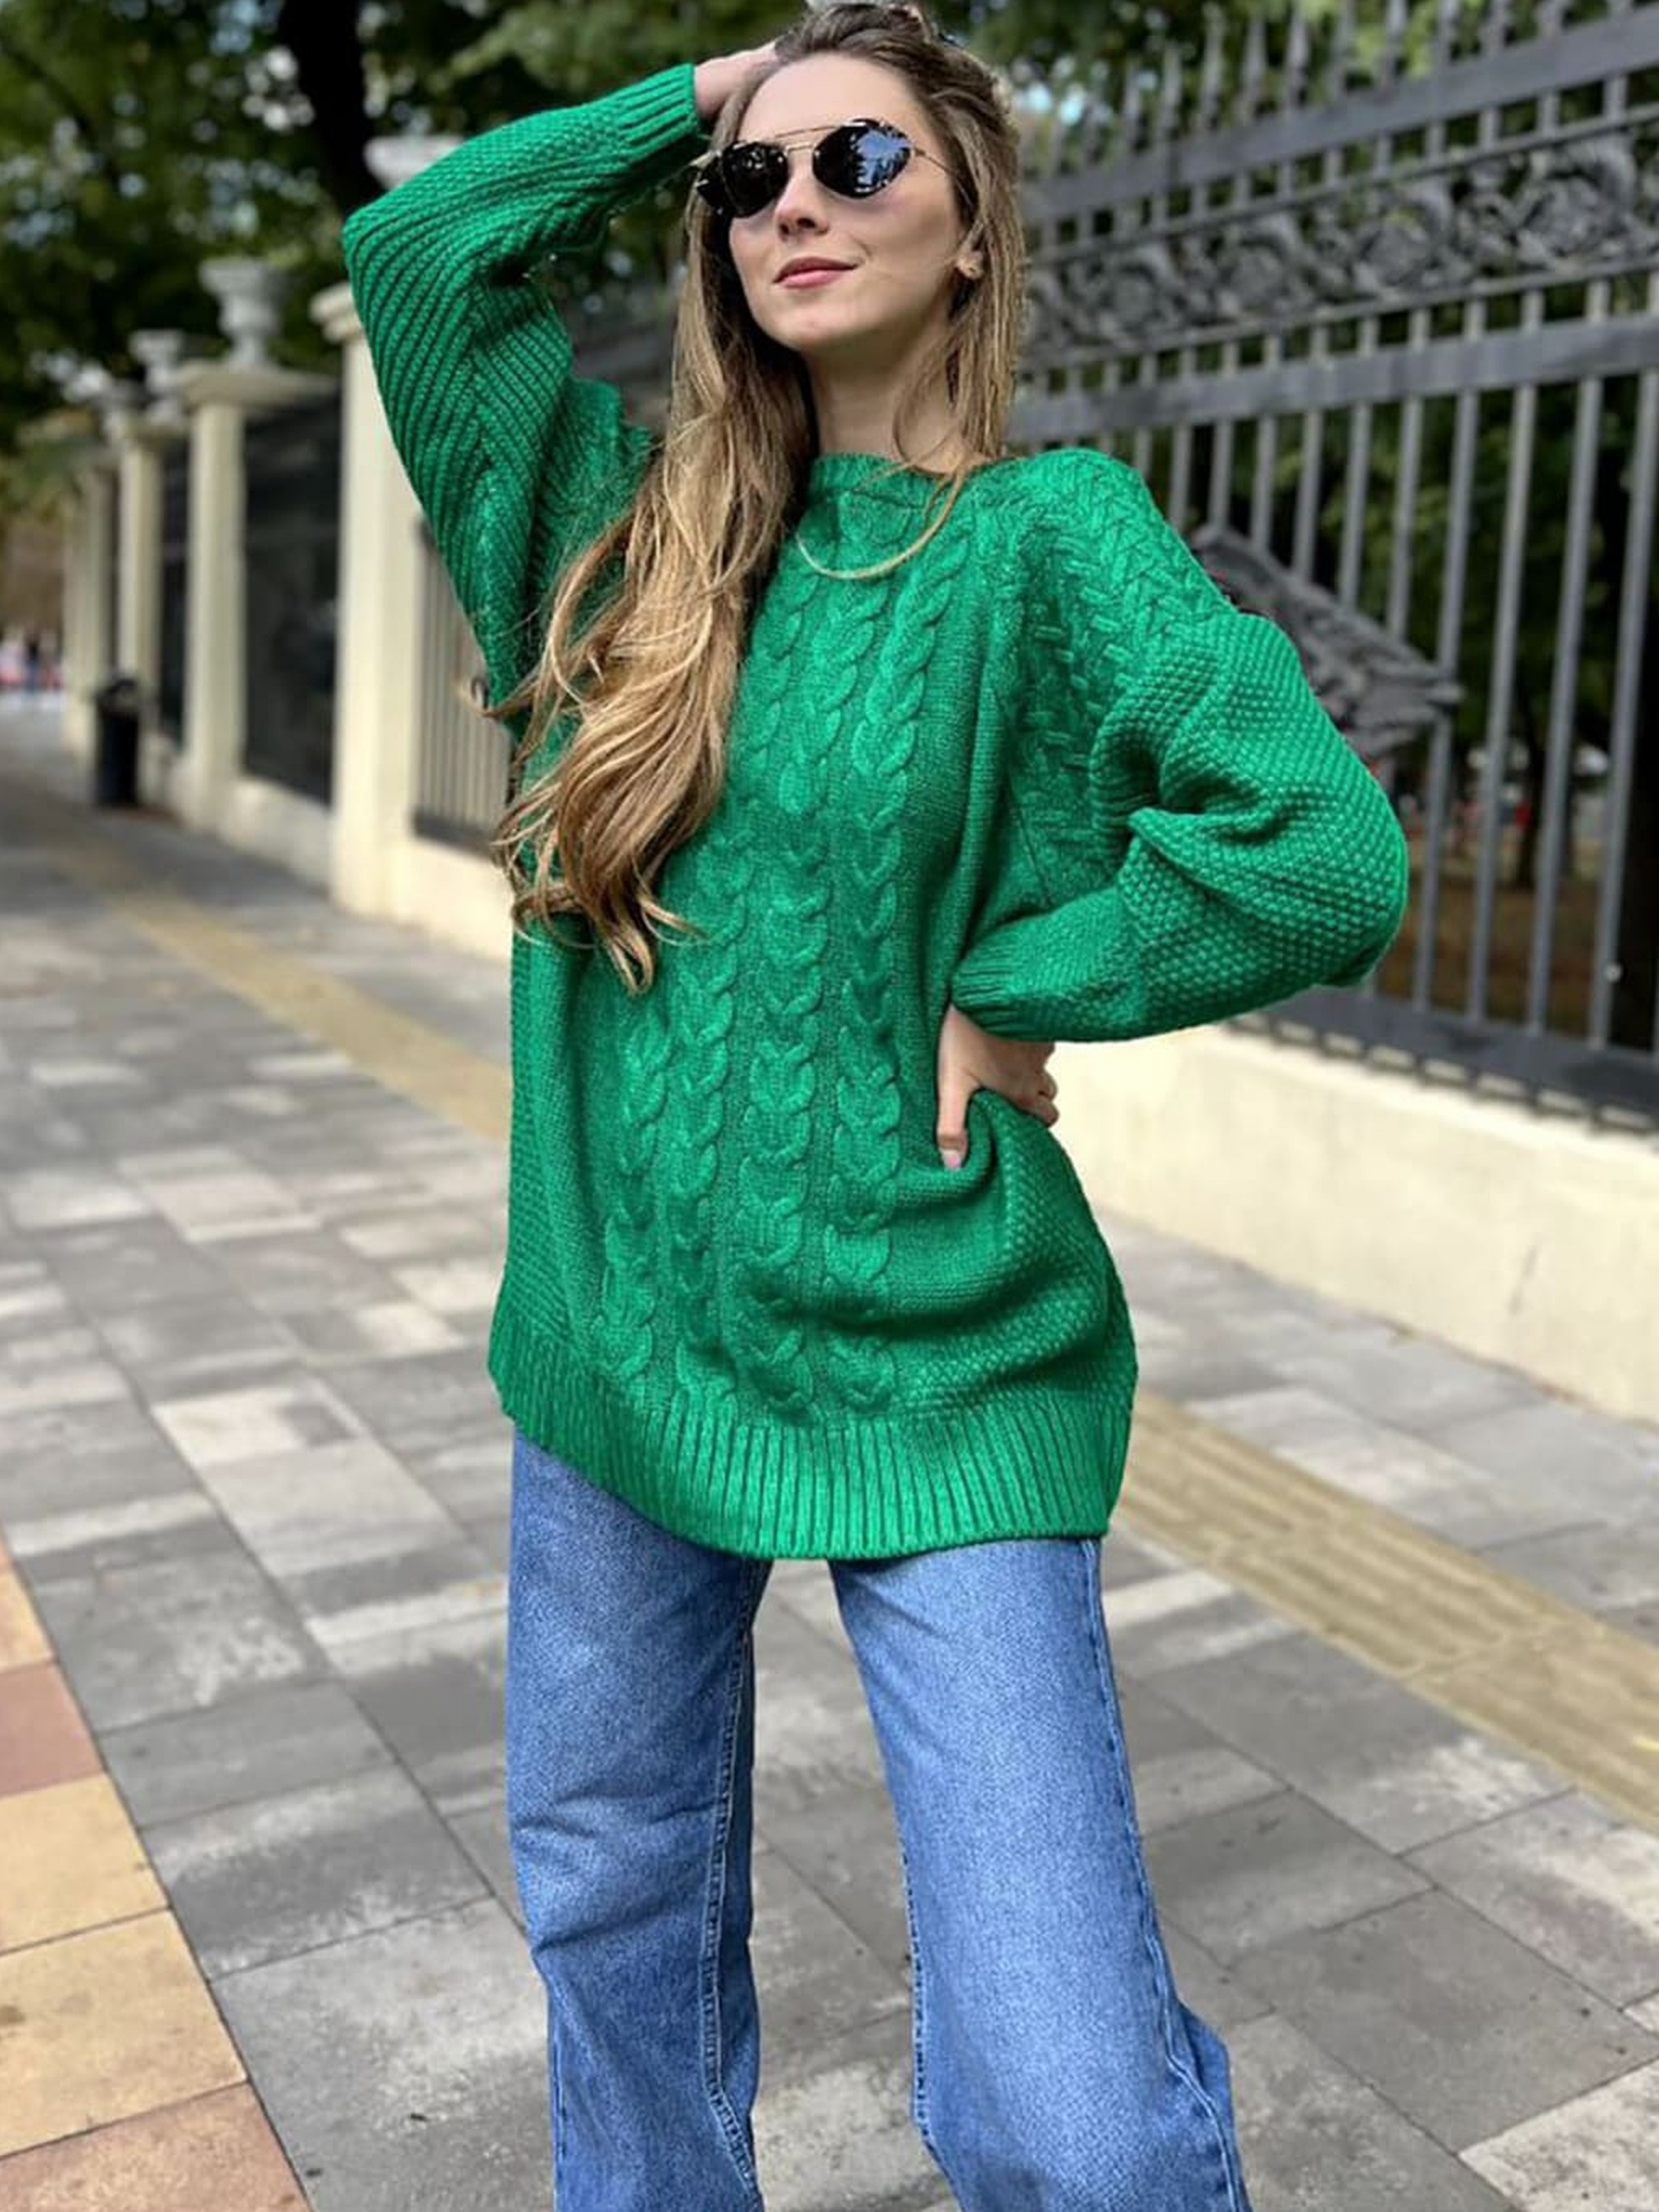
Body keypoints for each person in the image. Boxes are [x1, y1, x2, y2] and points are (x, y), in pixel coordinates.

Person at [342, 7, 1407, 2206]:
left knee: (1072, 2120)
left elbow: (1319, 850)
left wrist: (1018, 984)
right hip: (622, 1346)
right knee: (615, 1914)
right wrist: (709, 88)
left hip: (946, 1360)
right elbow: (420, 255)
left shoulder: (1051, 542)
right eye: (754, 182)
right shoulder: (612, 537)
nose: (792, 207)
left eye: (859, 161)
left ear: (973, 218)